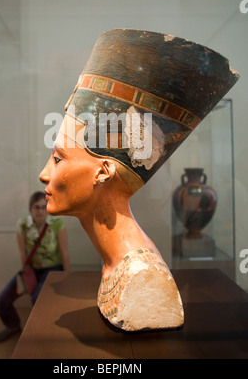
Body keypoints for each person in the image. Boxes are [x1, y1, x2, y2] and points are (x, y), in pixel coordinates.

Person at [39, 29, 238, 331]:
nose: (44, 174)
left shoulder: (143, 277)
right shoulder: (117, 265)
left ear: (103, 171)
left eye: (58, 159)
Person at [0, 191, 70, 343]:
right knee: (1, 300)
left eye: (43, 207)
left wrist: (67, 278)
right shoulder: (23, 224)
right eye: (37, 207)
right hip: (32, 269)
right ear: (30, 209)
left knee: (38, 300)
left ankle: (44, 332)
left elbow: (64, 254)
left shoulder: (57, 224)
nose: (40, 211)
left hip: (53, 269)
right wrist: (28, 278)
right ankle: (12, 326)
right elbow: (23, 253)